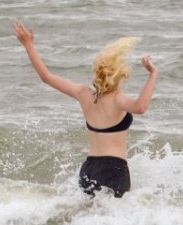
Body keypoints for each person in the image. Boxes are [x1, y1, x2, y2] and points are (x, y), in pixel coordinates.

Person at [14, 21, 158, 198]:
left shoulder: (83, 94)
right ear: (119, 75)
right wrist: (153, 74)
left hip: (89, 168)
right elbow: (141, 107)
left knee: (89, 217)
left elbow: (46, 77)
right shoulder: (118, 99)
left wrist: (28, 44)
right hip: (114, 169)